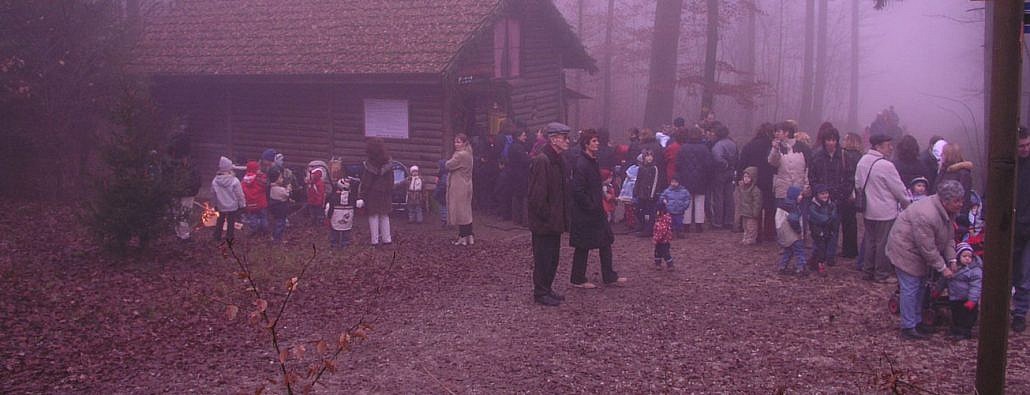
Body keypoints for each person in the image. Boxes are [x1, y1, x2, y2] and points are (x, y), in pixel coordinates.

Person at [886, 180, 962, 340]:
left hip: (918, 253)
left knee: (921, 287)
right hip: (905, 250)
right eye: (957, 201)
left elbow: (948, 238)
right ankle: (908, 327)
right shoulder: (927, 214)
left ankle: (917, 321)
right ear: (945, 200)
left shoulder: (947, 212)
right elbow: (927, 247)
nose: (961, 204)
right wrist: (943, 268)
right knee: (910, 288)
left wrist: (953, 260)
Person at [569, 129, 627, 289]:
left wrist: (603, 197)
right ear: (586, 144)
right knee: (583, 246)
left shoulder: (592, 161)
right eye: (593, 141)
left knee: (605, 241)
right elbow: (578, 190)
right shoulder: (582, 163)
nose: (597, 143)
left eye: (597, 140)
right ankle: (577, 279)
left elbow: (594, 185)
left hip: (595, 210)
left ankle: (609, 276)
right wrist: (591, 205)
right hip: (585, 212)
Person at [528, 122, 573, 307]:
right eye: (564, 137)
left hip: (555, 220)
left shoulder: (559, 159)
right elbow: (537, 195)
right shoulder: (543, 160)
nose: (567, 141)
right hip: (544, 222)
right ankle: (540, 292)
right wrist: (546, 216)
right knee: (543, 257)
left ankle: (547, 288)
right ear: (554, 139)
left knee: (553, 257)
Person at [856, 134, 910, 283]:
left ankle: (868, 271)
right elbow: (899, 189)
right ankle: (881, 274)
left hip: (868, 209)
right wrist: (907, 205)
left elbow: (858, 184)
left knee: (870, 241)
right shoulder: (886, 165)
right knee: (883, 244)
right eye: (888, 145)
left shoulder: (862, 161)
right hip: (885, 210)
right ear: (878, 147)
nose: (891, 147)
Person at [807, 125, 853, 265]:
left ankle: (830, 256)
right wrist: (819, 192)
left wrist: (842, 194)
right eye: (828, 140)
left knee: (834, 229)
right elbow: (812, 177)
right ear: (824, 141)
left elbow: (850, 178)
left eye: (833, 140)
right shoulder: (817, 156)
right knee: (818, 228)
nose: (831, 143)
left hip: (837, 200)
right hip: (820, 200)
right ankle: (818, 256)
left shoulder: (845, 156)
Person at [738, 123, 777, 242]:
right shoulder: (773, 146)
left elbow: (742, 164)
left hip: (753, 180)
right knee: (770, 208)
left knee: (755, 207)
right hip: (770, 180)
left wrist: (740, 179)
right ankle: (770, 234)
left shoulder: (749, 146)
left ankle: (756, 234)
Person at [676, 126, 714, 233]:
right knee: (699, 201)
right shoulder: (704, 148)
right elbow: (708, 164)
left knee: (687, 201)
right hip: (701, 178)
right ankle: (698, 224)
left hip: (685, 178)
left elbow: (678, 164)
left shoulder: (683, 148)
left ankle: (686, 224)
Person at [357, 138, 394, 247]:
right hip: (385, 193)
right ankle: (387, 239)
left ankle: (375, 241)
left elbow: (366, 182)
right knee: (384, 215)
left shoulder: (369, 165)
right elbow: (391, 180)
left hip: (372, 193)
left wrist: (362, 195)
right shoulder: (389, 163)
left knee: (373, 216)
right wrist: (388, 190)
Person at [768, 121, 809, 210]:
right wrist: (775, 149)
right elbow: (772, 163)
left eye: (779, 131)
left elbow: (808, 169)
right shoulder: (776, 147)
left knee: (797, 221)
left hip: (799, 193)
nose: (776, 134)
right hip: (782, 193)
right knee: (781, 221)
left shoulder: (803, 147)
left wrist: (806, 187)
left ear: (786, 133)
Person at [1013, 126, 1030, 333]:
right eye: (1021, 146)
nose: (1025, 149)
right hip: (1011, 226)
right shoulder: (1009, 167)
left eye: (1027, 145)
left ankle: (1020, 313)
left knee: (1025, 273)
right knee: (1013, 272)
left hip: (1027, 227)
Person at [948, 242, 982, 340]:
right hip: (955, 297)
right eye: (964, 256)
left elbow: (976, 287)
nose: (967, 258)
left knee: (967, 317)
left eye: (969, 256)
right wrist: (937, 291)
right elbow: (944, 279)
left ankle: (965, 332)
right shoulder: (953, 268)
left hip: (967, 299)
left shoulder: (975, 270)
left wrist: (972, 300)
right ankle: (957, 329)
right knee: (956, 315)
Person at [446, 133, 475, 245]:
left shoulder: (460, 155)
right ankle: (469, 235)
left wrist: (445, 162)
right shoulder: (469, 153)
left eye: (458, 142)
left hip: (459, 186)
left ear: (464, 143)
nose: (456, 144)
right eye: (455, 142)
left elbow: (449, 165)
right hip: (467, 184)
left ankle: (462, 236)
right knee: (467, 210)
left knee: (461, 211)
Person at [840, 132, 865, 258]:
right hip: (855, 190)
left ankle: (847, 250)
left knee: (846, 220)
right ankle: (851, 249)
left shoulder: (846, 155)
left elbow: (848, 175)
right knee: (851, 220)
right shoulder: (860, 156)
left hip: (847, 190)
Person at [710, 124, 738, 230]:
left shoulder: (718, 145)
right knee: (729, 197)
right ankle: (729, 221)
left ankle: (718, 222)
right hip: (730, 172)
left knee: (718, 197)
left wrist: (725, 164)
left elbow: (717, 158)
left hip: (720, 172)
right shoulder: (732, 144)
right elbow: (737, 157)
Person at [806, 184, 839, 276]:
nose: (825, 196)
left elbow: (834, 215)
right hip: (817, 230)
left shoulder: (831, 204)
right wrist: (827, 219)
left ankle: (813, 262)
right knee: (821, 248)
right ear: (817, 195)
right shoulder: (813, 206)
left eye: (826, 193)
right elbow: (816, 217)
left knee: (822, 246)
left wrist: (830, 220)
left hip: (828, 230)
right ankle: (821, 265)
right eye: (822, 194)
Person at [212, 156, 246, 242]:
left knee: (220, 220)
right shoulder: (235, 181)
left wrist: (215, 205)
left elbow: (213, 194)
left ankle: (217, 236)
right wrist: (242, 204)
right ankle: (230, 237)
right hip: (232, 206)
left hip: (221, 205)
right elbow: (239, 194)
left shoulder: (215, 181)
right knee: (231, 222)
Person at [776, 186, 806, 276]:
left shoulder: (783, 205)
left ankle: (782, 266)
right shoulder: (792, 207)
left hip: (783, 232)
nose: (801, 197)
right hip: (792, 233)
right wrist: (798, 230)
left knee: (788, 250)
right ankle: (801, 267)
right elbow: (793, 219)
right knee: (799, 250)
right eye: (800, 195)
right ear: (794, 196)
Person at [936, 143, 974, 214]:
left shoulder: (963, 174)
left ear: (949, 155)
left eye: (943, 153)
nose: (941, 155)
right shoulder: (944, 170)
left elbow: (964, 197)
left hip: (955, 214)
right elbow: (935, 190)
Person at [326, 168, 356, 249]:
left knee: (335, 230)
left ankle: (334, 243)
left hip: (336, 216)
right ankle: (345, 243)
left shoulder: (334, 197)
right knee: (346, 229)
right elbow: (355, 206)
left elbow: (330, 207)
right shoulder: (352, 197)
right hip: (348, 216)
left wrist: (328, 216)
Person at [633, 149, 660, 237]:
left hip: (650, 195)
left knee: (650, 212)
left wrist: (652, 194)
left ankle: (648, 230)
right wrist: (635, 192)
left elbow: (655, 182)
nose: (649, 158)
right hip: (642, 194)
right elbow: (638, 180)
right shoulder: (641, 168)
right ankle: (643, 225)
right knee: (638, 211)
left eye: (650, 155)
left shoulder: (654, 168)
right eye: (647, 156)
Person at [735, 166, 762, 245]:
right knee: (745, 227)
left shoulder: (755, 190)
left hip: (751, 214)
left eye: (748, 177)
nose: (746, 179)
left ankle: (751, 239)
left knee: (752, 227)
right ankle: (745, 238)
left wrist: (755, 212)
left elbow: (757, 202)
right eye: (745, 176)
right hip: (744, 213)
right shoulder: (742, 188)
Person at [241, 161, 269, 236]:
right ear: (256, 169)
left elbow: (242, 190)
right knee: (263, 216)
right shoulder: (259, 178)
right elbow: (265, 186)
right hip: (261, 202)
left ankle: (254, 229)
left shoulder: (244, 180)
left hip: (250, 203)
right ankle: (265, 230)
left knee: (253, 216)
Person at [268, 171, 291, 244]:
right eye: (280, 178)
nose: (282, 179)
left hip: (275, 208)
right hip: (280, 209)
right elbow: (286, 194)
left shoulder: (272, 187)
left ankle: (275, 237)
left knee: (277, 222)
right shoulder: (279, 189)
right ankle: (277, 239)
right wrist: (288, 188)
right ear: (275, 179)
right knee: (280, 223)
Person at [305, 160, 328, 226]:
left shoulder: (320, 184)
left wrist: (320, 201)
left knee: (319, 213)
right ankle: (313, 222)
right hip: (311, 201)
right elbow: (309, 192)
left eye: (313, 175)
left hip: (318, 202)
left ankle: (319, 222)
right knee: (312, 213)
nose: (311, 176)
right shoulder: (311, 183)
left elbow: (321, 194)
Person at [652, 202, 675, 269]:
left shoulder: (663, 219)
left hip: (663, 240)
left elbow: (662, 231)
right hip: (663, 239)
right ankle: (658, 264)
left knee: (665, 253)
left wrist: (656, 239)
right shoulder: (661, 218)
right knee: (657, 252)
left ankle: (670, 265)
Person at [434, 158, 449, 227]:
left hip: (443, 194)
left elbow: (443, 186)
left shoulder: (444, 175)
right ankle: (446, 220)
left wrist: (437, 193)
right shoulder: (441, 174)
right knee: (444, 207)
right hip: (443, 194)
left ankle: (445, 221)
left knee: (444, 207)